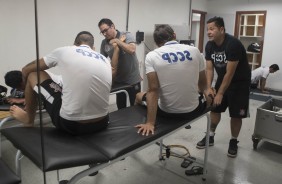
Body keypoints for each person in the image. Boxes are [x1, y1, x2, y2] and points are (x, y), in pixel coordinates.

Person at [9, 31, 113, 135]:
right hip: (103, 122)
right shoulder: (104, 59)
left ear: (74, 44)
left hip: (72, 124)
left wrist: (28, 98)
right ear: (92, 47)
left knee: (33, 74)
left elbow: (26, 70)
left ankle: (28, 119)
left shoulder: (65, 51)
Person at [134, 24, 211, 136]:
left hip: (167, 113)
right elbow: (203, 84)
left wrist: (150, 123)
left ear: (156, 42)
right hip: (193, 110)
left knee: (138, 96)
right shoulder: (195, 51)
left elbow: (153, 90)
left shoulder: (152, 56)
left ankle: (143, 120)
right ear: (174, 35)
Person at [196, 16, 251, 158]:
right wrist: (209, 88)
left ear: (221, 29)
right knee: (215, 108)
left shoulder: (233, 44)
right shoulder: (210, 45)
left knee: (236, 114)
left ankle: (233, 141)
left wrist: (220, 93)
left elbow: (230, 73)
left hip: (239, 83)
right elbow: (209, 69)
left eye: (212, 29)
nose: (208, 32)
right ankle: (211, 136)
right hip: (222, 80)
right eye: (207, 29)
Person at [98, 18, 142, 109]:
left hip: (132, 79)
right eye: (102, 32)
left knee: (136, 106)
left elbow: (132, 50)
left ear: (112, 26)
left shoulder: (126, 35)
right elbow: (101, 61)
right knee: (121, 107)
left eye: (105, 30)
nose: (104, 34)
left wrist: (117, 41)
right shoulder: (104, 43)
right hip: (119, 81)